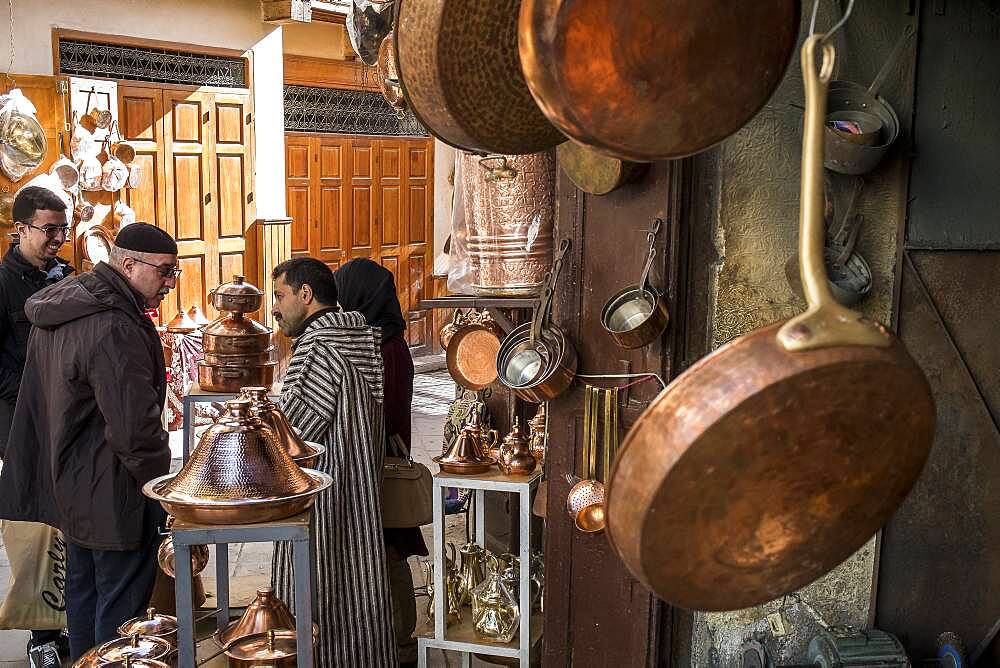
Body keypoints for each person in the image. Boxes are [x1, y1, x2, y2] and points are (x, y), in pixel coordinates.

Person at [0, 223, 179, 660]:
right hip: (114, 491)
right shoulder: (113, 324)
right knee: (120, 612)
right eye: (165, 272)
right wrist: (162, 488)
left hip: (73, 484)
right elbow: (134, 430)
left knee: (83, 596)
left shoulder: (66, 304)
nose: (170, 284)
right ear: (129, 264)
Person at [269, 257, 397, 667]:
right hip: (360, 490)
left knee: (316, 595)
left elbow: (294, 435)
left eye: (279, 296)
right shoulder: (359, 336)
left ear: (305, 295)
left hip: (321, 500)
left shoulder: (319, 348)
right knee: (358, 590)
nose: (274, 307)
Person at [335, 257, 427, 668]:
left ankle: (402, 642)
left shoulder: (386, 348)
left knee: (389, 552)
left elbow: (382, 412)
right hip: (378, 458)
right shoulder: (381, 340)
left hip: (382, 463)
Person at [0, 186, 73, 667]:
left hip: (66, 416)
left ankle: (71, 618)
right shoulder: (1, 283)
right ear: (19, 229)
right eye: (48, 230)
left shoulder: (65, 275)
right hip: (19, 420)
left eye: (62, 230)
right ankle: (40, 634)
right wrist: (30, 391)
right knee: (33, 522)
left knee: (69, 518)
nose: (58, 240)